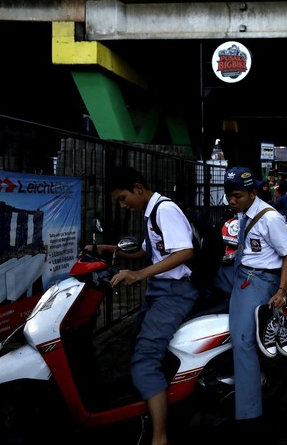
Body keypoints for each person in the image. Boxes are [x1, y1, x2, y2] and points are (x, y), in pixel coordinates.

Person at [94, 166, 200, 445]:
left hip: (175, 292)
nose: (122, 205)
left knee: (144, 359)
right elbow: (147, 251)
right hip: (159, 290)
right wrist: (109, 250)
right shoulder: (151, 212)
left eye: (121, 198)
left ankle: (159, 437)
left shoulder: (164, 209)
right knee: (139, 342)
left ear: (138, 189)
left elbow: (185, 251)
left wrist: (138, 274)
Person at [213, 166, 287, 432]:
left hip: (258, 279)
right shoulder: (243, 213)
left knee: (243, 340)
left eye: (236, 195)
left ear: (252, 192)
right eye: (228, 195)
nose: (231, 200)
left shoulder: (270, 218)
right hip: (238, 271)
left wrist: (281, 291)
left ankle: (249, 413)